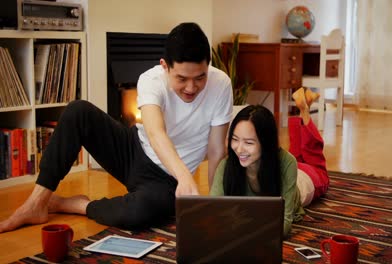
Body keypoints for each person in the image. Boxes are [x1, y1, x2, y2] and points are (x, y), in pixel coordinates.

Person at [0, 22, 233, 233]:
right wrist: (186, 178)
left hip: (165, 180)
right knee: (78, 111)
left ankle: (74, 204)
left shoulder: (221, 85)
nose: (191, 87)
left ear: (208, 67)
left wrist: (213, 203)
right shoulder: (150, 79)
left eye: (200, 78)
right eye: (182, 79)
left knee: (138, 213)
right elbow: (155, 133)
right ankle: (36, 202)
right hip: (132, 150)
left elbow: (216, 151)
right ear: (165, 66)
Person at [210, 87, 329, 236]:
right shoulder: (226, 165)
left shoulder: (286, 163)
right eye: (234, 139)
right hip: (278, 161)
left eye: (248, 142)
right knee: (296, 155)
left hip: (303, 181)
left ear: (266, 143)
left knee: (316, 167)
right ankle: (302, 111)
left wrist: (241, 228)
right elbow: (213, 213)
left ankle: (304, 112)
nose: (239, 149)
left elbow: (284, 224)